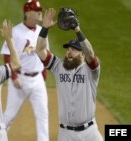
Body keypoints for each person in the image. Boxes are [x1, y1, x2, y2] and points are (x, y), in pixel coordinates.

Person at [35, 8, 103, 141]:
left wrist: (77, 30)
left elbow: (90, 54)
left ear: (82, 54)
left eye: (74, 50)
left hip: (90, 133)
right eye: (68, 49)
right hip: (66, 134)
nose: (69, 52)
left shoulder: (91, 70)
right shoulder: (58, 66)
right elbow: (40, 50)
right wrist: (45, 28)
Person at [0, 0, 49, 140]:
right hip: (20, 78)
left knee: (43, 115)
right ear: (27, 12)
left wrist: (43, 75)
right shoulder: (16, 31)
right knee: (10, 115)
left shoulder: (42, 31)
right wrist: (14, 76)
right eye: (36, 10)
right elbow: (7, 55)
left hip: (38, 79)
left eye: (40, 10)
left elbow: (45, 54)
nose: (40, 12)